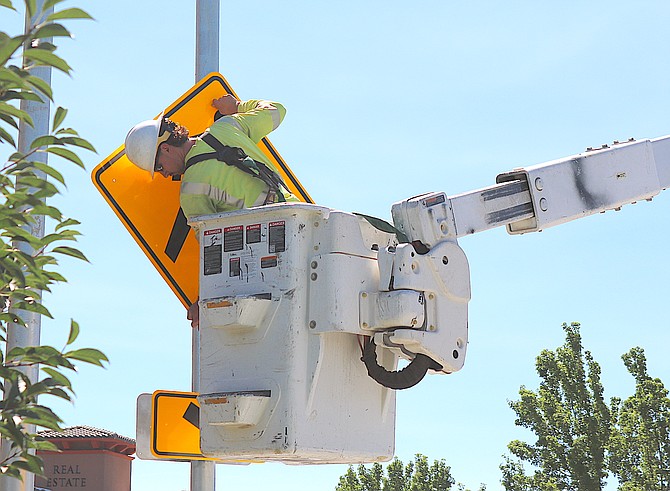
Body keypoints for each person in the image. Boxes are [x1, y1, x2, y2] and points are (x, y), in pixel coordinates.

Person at [124, 95, 298, 327]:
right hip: (298, 217)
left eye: (159, 167)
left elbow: (213, 251)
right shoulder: (227, 127)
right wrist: (236, 107)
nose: (164, 175)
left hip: (272, 255)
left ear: (165, 148)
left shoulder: (191, 191)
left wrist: (204, 299)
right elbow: (277, 110)